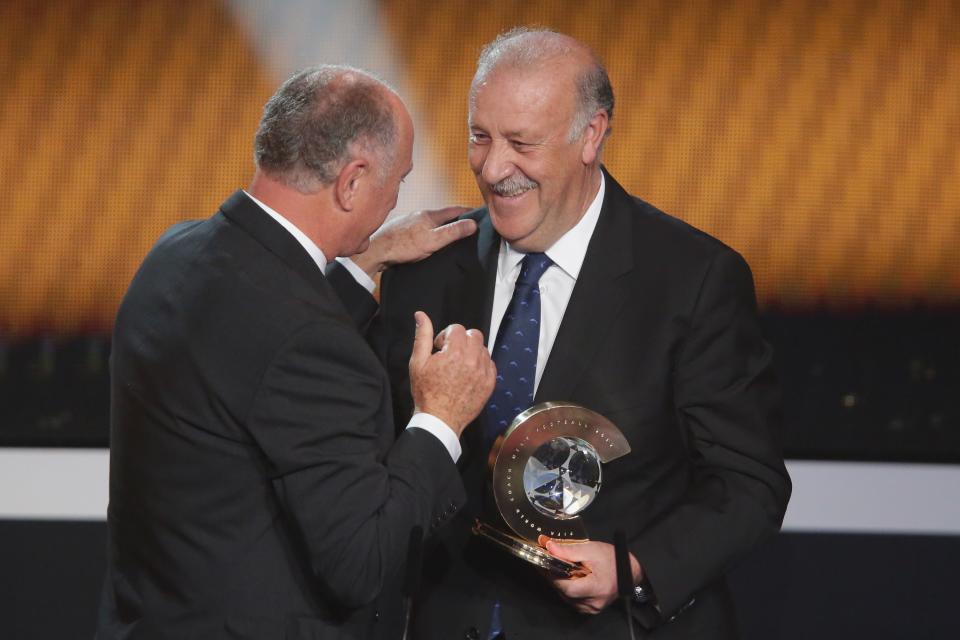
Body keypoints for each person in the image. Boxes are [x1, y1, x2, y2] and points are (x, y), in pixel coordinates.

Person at [336, 28, 792, 638]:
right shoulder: (428, 265)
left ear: (591, 135)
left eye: (522, 143)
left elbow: (748, 484)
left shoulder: (692, 279)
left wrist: (634, 567)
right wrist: (361, 266)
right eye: (480, 136)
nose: (494, 168)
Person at [96, 65, 496, 640]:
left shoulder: (174, 255)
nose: (395, 201)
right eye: (398, 182)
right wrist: (440, 418)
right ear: (352, 181)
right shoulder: (307, 341)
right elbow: (362, 561)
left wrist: (360, 262)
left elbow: (254, 346)